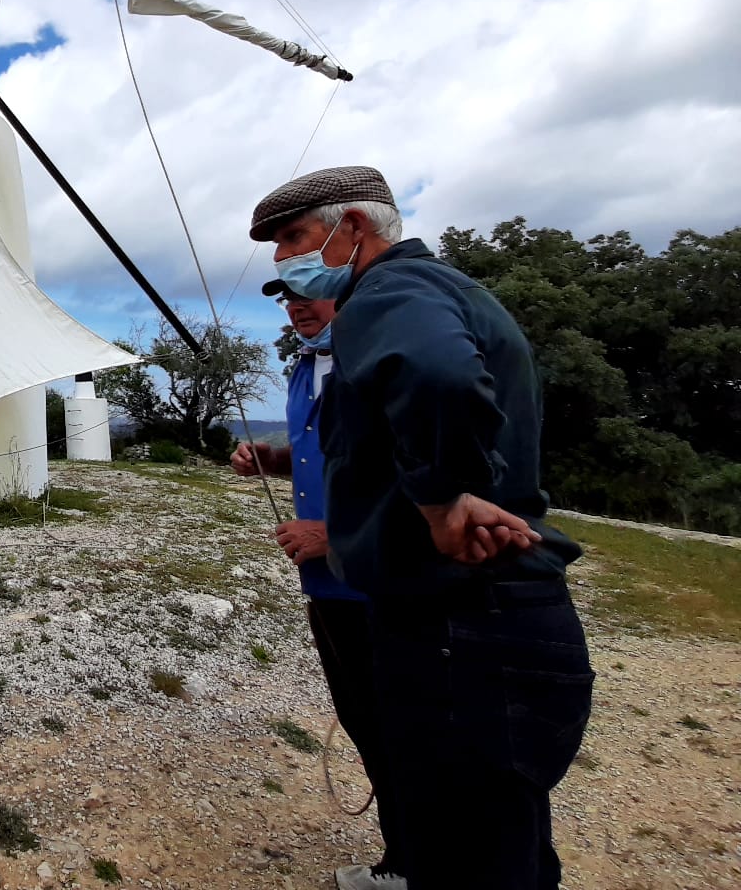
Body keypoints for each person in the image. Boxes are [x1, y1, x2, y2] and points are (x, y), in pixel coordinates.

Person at [246, 166, 592, 890]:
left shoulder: (386, 294)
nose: (284, 262)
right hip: (501, 618)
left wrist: (442, 498)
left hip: (456, 629)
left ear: (357, 228)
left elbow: (437, 375)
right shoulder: (447, 291)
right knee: (504, 848)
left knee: (461, 856)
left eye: (295, 238)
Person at [231, 282, 405, 890]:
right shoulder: (307, 363)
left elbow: (429, 468)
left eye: (310, 293)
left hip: (387, 586)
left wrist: (337, 534)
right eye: (286, 299)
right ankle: (405, 857)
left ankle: (419, 866)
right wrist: (273, 459)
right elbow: (333, 453)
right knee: (365, 721)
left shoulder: (383, 359)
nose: (298, 307)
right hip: (330, 589)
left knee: (407, 731)